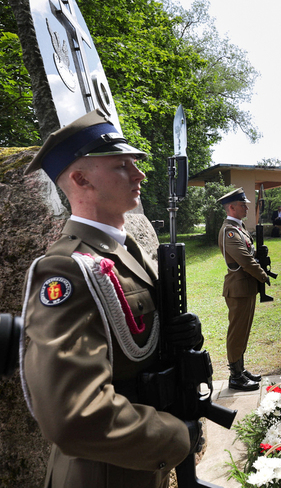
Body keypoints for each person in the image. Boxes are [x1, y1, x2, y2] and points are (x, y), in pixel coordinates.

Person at [20, 110, 201, 488]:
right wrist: (174, 436)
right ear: (81, 179)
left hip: (137, 465)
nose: (140, 174)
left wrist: (177, 337)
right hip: (102, 475)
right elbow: (74, 415)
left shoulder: (124, 249)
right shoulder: (66, 269)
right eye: (122, 166)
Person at [218, 188, 271, 391]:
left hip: (246, 288)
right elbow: (245, 260)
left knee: (244, 331)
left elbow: (250, 254)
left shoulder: (238, 229)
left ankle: (240, 369)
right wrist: (263, 275)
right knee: (237, 333)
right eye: (242, 205)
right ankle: (235, 376)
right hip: (238, 288)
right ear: (231, 207)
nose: (247, 207)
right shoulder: (230, 231)